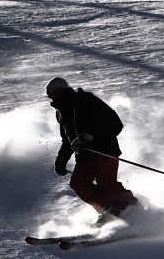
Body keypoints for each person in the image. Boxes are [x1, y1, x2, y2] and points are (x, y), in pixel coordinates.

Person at [47, 77, 138, 225]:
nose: (53, 96)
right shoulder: (60, 112)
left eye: (55, 91)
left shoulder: (84, 99)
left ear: (64, 89)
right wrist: (61, 160)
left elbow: (104, 120)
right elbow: (67, 140)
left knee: (105, 181)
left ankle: (133, 210)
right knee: (78, 183)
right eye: (49, 94)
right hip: (84, 155)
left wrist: (87, 137)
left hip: (104, 148)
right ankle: (108, 210)